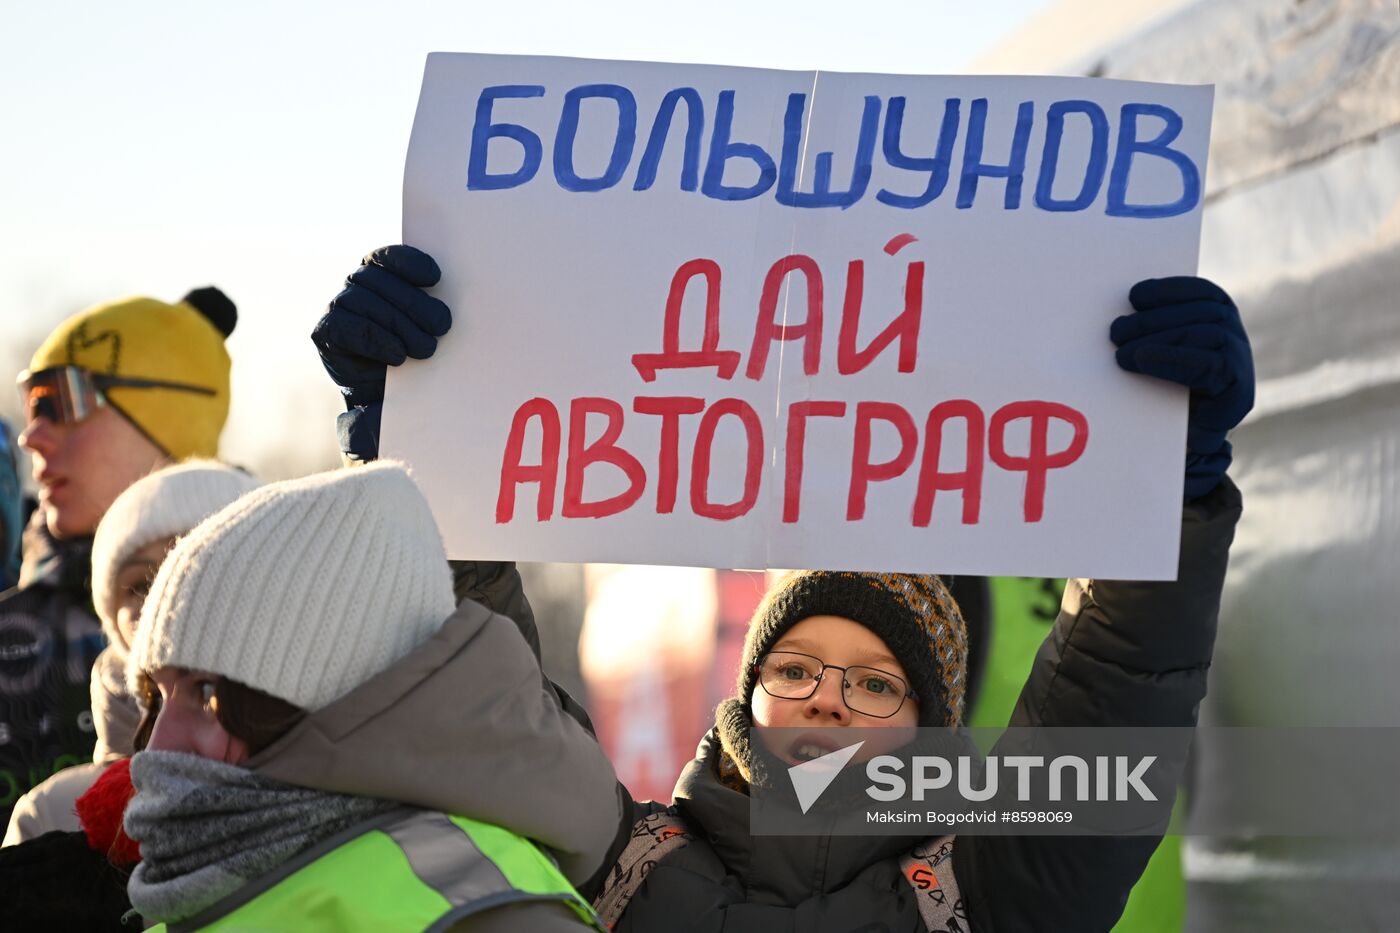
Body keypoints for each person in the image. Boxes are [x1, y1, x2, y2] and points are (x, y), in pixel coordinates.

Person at [314, 246, 1252, 932]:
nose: (828, 703)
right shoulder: (614, 863)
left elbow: (1118, 679)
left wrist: (1167, 482)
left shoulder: (992, 895)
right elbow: (485, 705)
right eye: (796, 666)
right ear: (746, 692)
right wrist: (416, 439)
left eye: (878, 683)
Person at [122, 462, 617, 931]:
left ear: (331, 690)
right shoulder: (191, 878)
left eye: (205, 693)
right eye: (157, 697)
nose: (157, 746)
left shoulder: (490, 918)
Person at [0, 287, 237, 825]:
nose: (31, 436)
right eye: (29, 407)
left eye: (60, 401)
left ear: (169, 414)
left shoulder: (295, 617)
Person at [3, 460, 260, 845]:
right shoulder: (53, 816)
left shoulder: (322, 776)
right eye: (140, 583)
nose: (163, 599)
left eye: (193, 570)